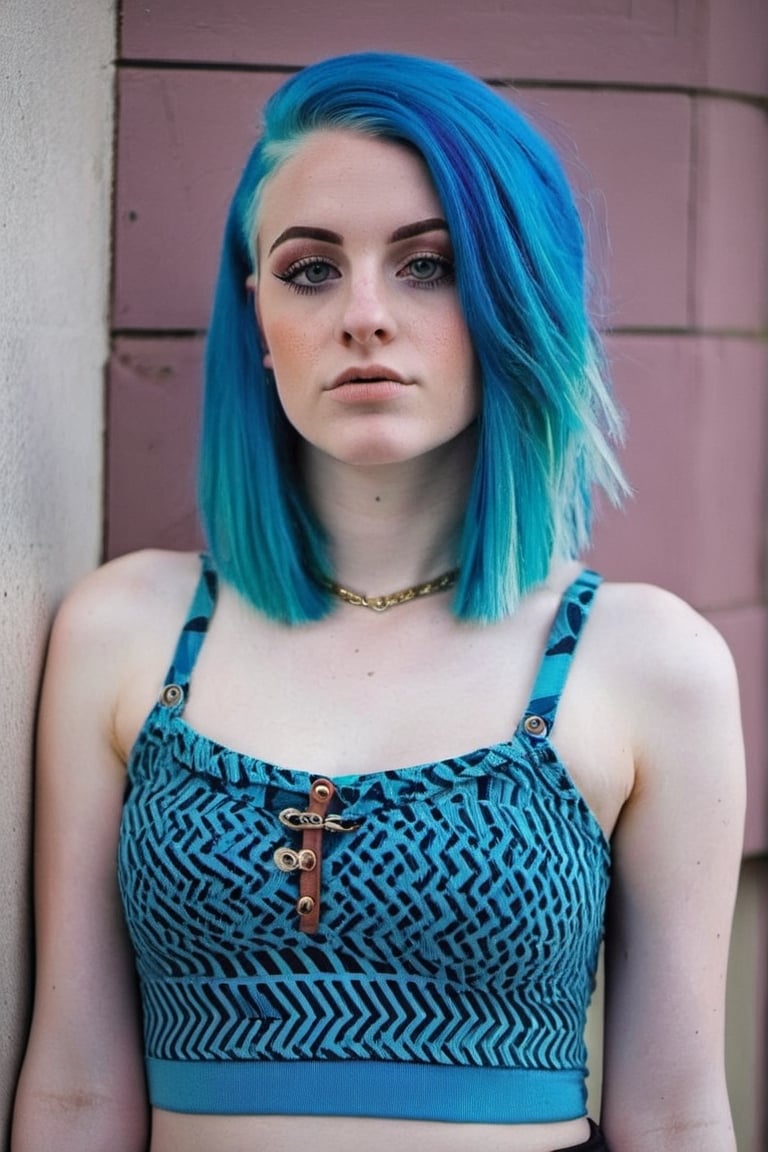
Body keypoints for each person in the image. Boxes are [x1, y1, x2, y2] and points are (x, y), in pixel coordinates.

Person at [12, 52, 744, 1152]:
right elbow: (72, 1087)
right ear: (255, 312)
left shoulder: (643, 661)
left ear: (515, 292)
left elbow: (677, 1112)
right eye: (310, 271)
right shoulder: (127, 633)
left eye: (429, 265)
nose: (364, 316)